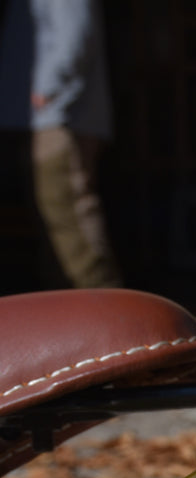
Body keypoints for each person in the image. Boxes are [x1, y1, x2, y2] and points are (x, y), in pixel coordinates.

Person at [0, 0, 120, 288]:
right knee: (55, 220)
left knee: (68, 213)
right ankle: (73, 311)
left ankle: (101, 308)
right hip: (43, 115)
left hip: (58, 115)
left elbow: (75, 33)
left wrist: (47, 88)